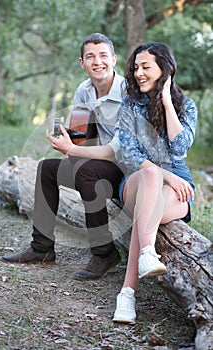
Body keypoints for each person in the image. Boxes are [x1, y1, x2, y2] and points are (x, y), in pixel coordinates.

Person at [2, 32, 125, 280]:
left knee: (87, 172)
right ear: (82, 63)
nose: (97, 61)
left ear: (114, 59)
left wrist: (75, 152)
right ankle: (42, 248)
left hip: (129, 170)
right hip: (99, 161)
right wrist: (67, 140)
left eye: (103, 55)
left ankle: (104, 253)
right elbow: (81, 136)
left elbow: (117, 151)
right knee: (47, 169)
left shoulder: (128, 92)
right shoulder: (84, 90)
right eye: (90, 56)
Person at [112, 42, 197, 323]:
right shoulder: (129, 104)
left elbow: (180, 148)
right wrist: (166, 174)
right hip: (137, 180)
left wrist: (167, 102)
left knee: (146, 213)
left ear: (165, 69)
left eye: (145, 66)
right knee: (151, 176)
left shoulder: (186, 106)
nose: (138, 73)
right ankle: (147, 253)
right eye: (135, 67)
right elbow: (128, 153)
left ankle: (126, 294)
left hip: (176, 188)